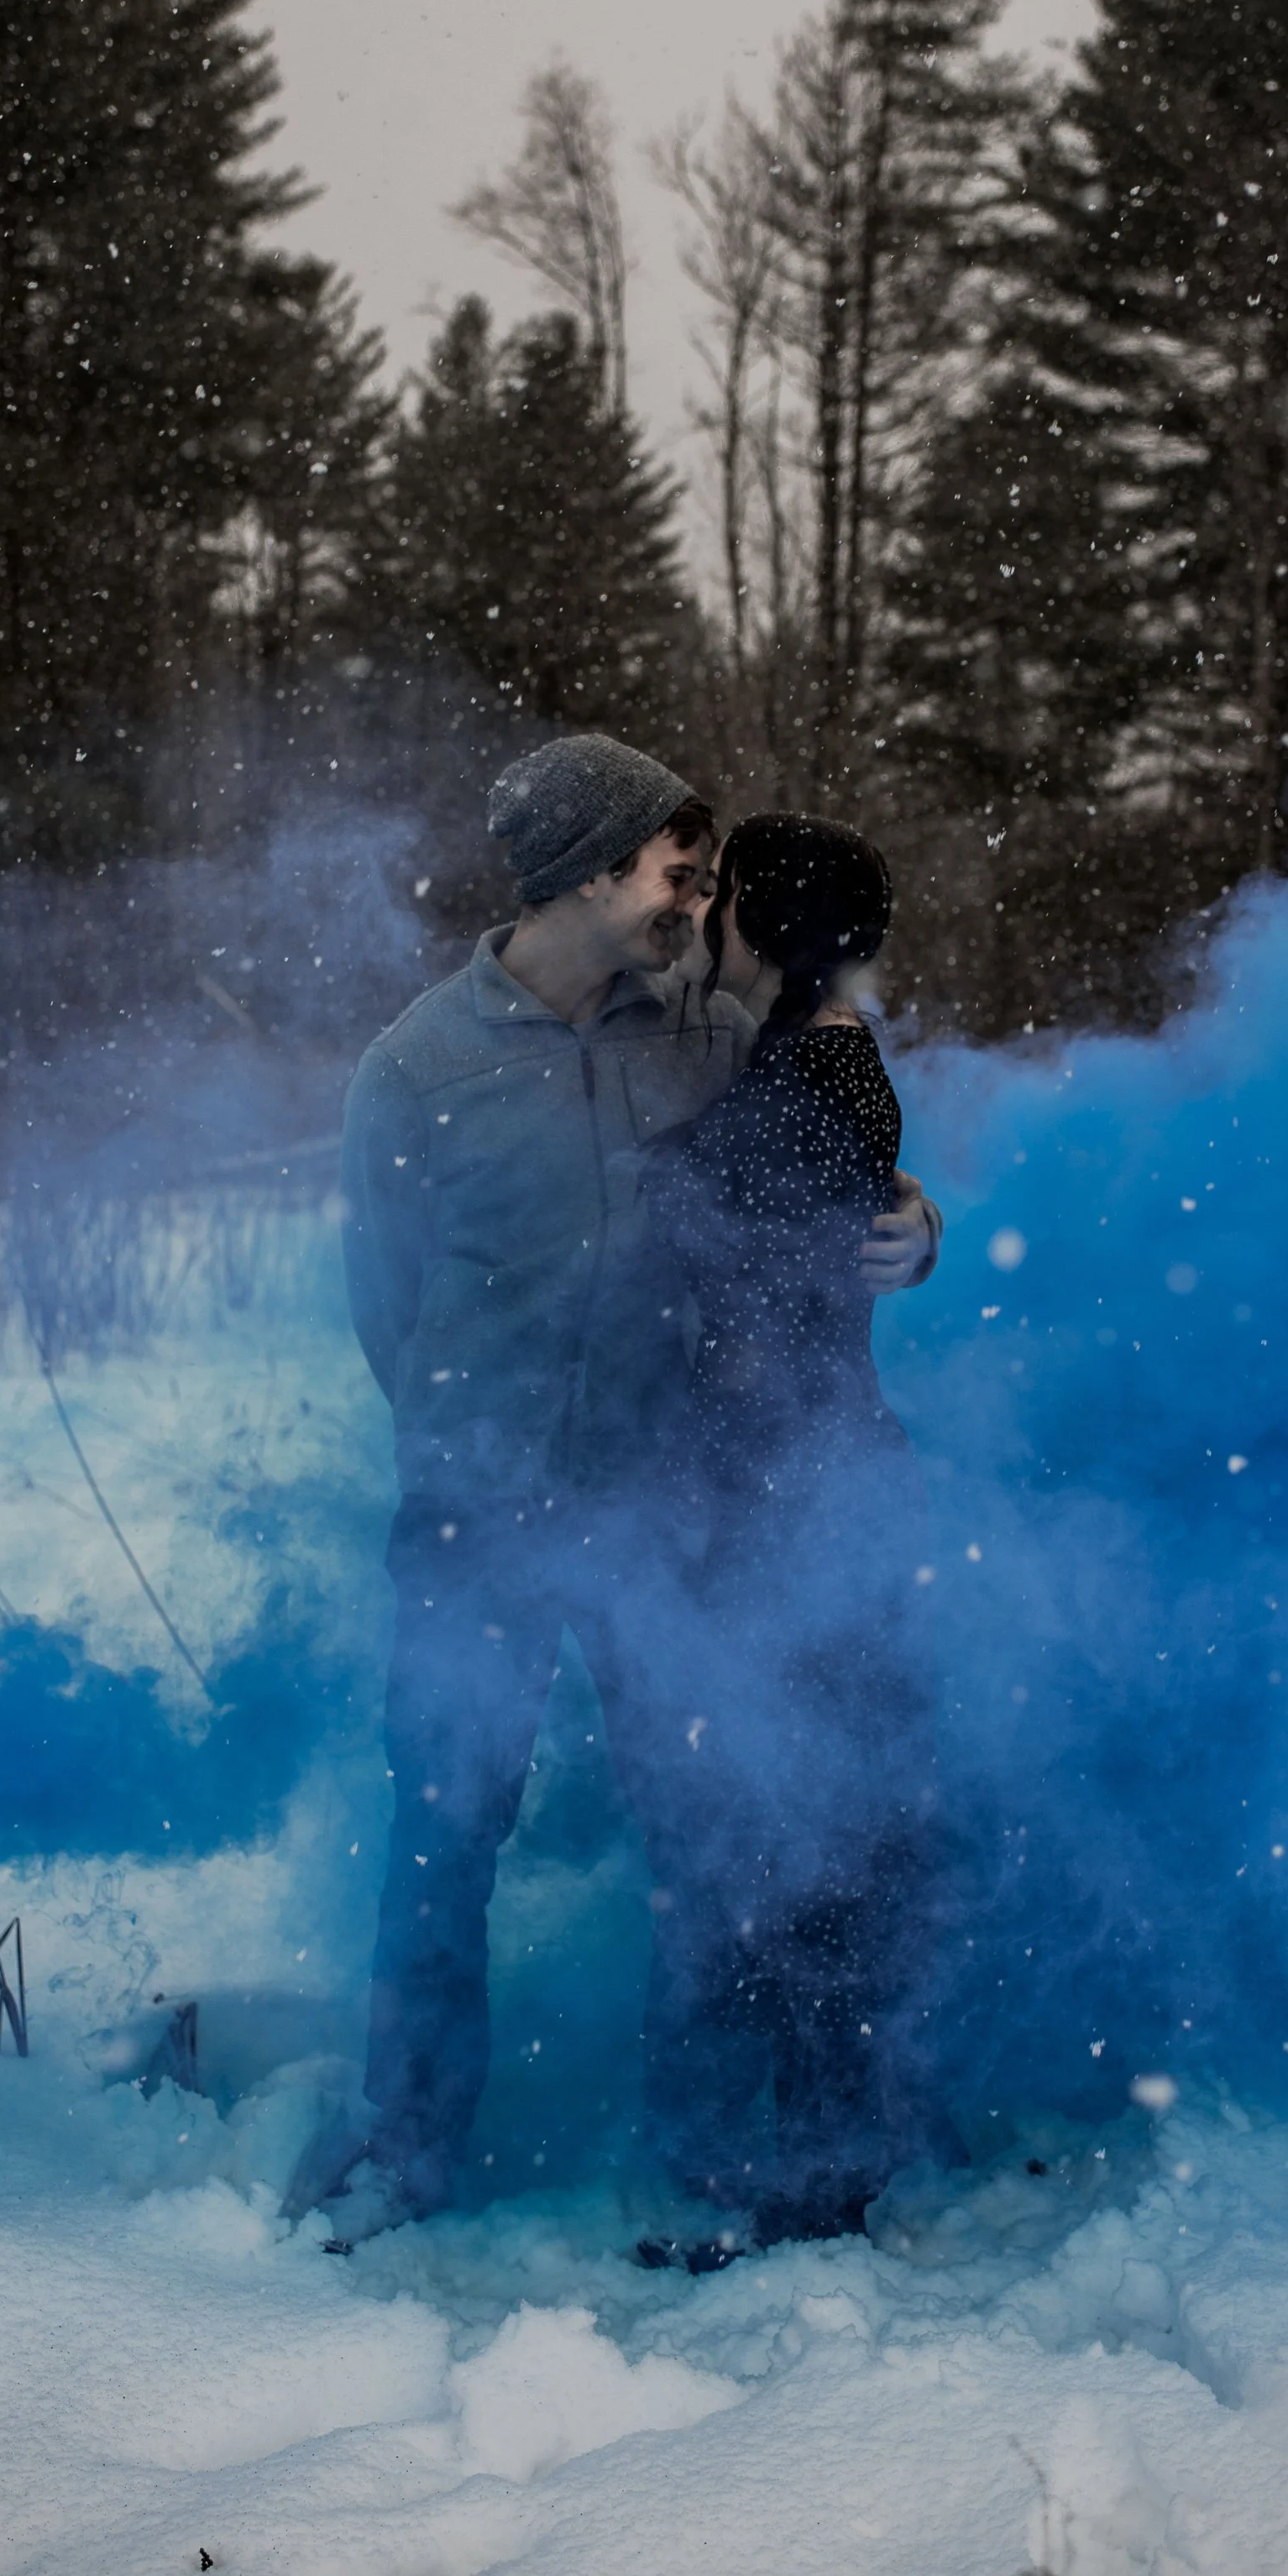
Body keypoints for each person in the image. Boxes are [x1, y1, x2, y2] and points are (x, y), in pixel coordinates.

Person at [326, 736, 940, 2243]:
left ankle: (721, 2150)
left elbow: (827, 1138)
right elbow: (385, 1306)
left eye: (710, 879)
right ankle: (403, 2157)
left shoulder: (701, 1031)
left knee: (710, 1830)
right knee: (445, 1836)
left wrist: (919, 1223)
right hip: (479, 1523)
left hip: (672, 1522)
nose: (698, 899)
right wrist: (483, 1444)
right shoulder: (417, 1069)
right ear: (586, 871)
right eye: (678, 871)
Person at [636, 812, 950, 2264]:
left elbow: (740, 1298)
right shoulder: (807, 1067)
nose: (700, 922)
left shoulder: (807, 1084)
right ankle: (816, 2158)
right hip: (805, 1502)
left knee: (812, 1840)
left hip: (791, 1512)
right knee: (804, 1829)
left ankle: (825, 2188)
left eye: (720, 900)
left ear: (759, 920)